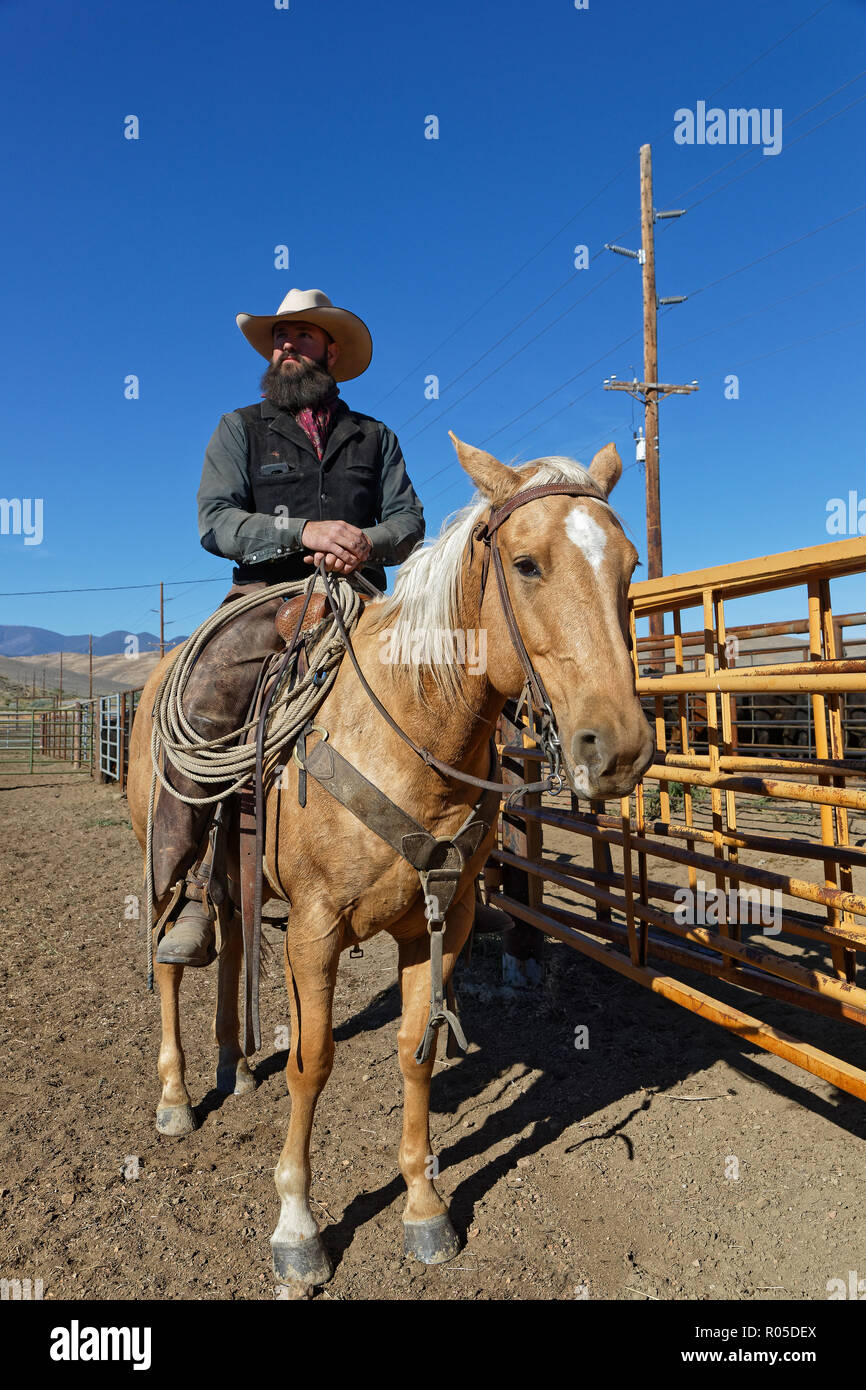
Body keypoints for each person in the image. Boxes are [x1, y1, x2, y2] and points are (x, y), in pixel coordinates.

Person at [152, 287, 424, 966]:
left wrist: (364, 542)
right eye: (279, 337)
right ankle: (188, 888)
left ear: (330, 351)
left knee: (455, 681)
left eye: (302, 337)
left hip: (359, 598)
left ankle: (458, 864)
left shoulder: (375, 437)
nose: (286, 347)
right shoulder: (240, 428)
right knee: (205, 695)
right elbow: (215, 519)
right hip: (265, 599)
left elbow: (410, 523)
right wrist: (301, 531)